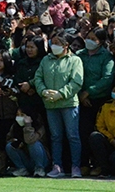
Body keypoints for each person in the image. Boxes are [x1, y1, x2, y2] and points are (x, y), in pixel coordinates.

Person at [34, 31, 84, 178]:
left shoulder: (75, 60)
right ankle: (57, 166)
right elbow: (38, 78)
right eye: (52, 42)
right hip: (51, 105)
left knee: (73, 136)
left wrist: (61, 94)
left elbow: (77, 81)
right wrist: (43, 91)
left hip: (69, 104)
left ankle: (76, 166)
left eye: (57, 43)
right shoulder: (46, 60)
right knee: (56, 137)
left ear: (65, 46)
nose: (53, 45)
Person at [77, 28, 114, 170]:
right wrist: (81, 94)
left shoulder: (106, 57)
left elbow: (107, 78)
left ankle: (99, 164)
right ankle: (84, 164)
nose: (89, 41)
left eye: (94, 39)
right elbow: (74, 75)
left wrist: (89, 92)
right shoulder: (80, 55)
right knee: (83, 132)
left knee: (98, 133)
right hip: (82, 99)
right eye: (88, 37)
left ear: (101, 42)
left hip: (100, 100)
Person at [5, 109, 50, 177]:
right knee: (9, 146)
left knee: (34, 144)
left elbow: (30, 140)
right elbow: (8, 139)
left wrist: (28, 125)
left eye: (22, 115)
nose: (19, 117)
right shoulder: (15, 126)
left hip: (41, 159)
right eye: (18, 115)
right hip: (26, 159)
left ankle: (39, 169)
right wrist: (15, 142)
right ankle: (21, 169)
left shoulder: (40, 127)